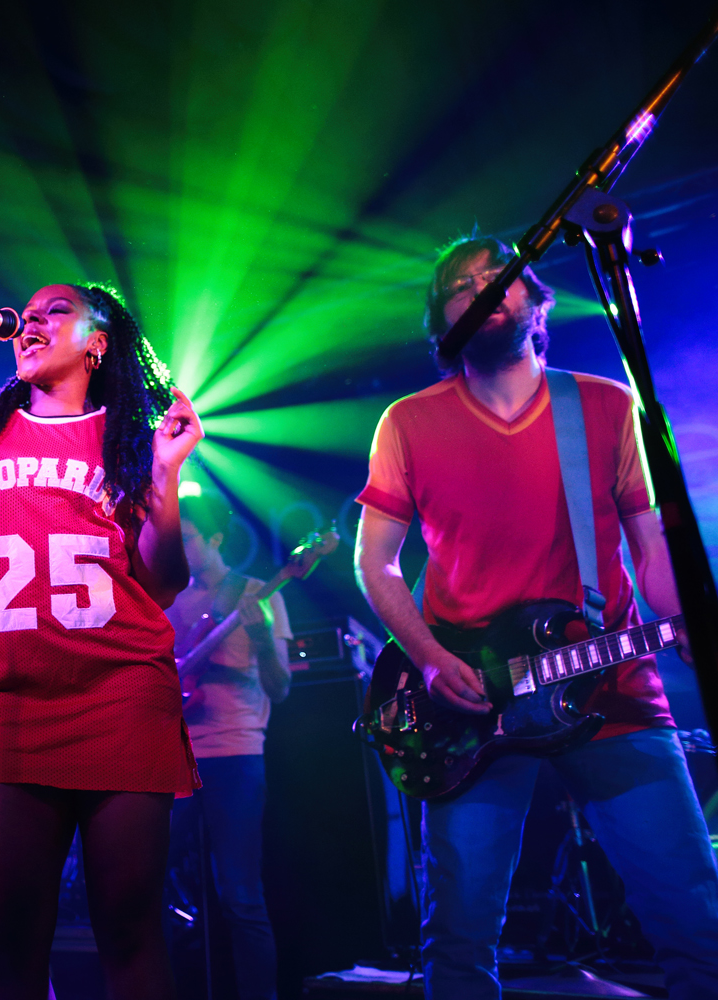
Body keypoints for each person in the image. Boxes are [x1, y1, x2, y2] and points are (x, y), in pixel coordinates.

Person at [353, 236, 718, 998]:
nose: (484, 288)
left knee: (697, 921)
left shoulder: (604, 405)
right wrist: (429, 660)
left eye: (500, 274)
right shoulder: (407, 423)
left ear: (537, 298)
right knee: (461, 942)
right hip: (470, 704)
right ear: (442, 318)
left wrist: (686, 620)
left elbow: (651, 552)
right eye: (462, 284)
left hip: (613, 685)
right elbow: (374, 563)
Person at [0, 282, 204, 1000]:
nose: (31, 320)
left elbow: (164, 584)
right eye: (28, 313)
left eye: (56, 311)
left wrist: (165, 476)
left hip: (121, 695)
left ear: (97, 343)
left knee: (128, 932)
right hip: (10, 707)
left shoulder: (132, 438)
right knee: (9, 943)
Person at [164, 512, 291, 1000]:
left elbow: (280, 688)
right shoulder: (166, 600)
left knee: (240, 895)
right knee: (144, 883)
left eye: (188, 538)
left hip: (235, 753)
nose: (179, 549)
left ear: (216, 538)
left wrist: (261, 639)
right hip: (172, 755)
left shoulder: (257, 593)